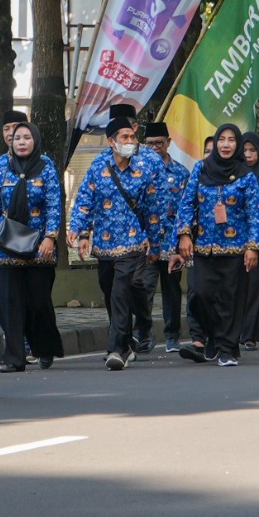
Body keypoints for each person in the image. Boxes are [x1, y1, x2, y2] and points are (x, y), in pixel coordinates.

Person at [70, 115, 166, 371]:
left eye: (132, 136)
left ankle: (116, 349)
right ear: (112, 141)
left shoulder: (144, 168)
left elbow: (153, 210)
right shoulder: (98, 166)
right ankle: (129, 335)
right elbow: (85, 200)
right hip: (104, 243)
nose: (130, 141)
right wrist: (79, 231)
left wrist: (155, 244)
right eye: (125, 137)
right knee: (109, 289)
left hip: (133, 242)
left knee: (120, 291)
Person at [174, 123, 259, 365]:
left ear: (238, 144)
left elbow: (255, 213)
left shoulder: (246, 175)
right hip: (205, 247)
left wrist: (253, 247)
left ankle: (227, 349)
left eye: (231, 140)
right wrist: (184, 235)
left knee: (231, 300)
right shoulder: (201, 168)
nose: (225, 144)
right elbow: (187, 203)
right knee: (200, 295)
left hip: (236, 249)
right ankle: (214, 336)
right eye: (221, 139)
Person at [0, 117, 65, 373]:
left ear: (35, 140)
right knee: (8, 304)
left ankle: (44, 347)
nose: (21, 142)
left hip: (38, 246)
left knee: (38, 303)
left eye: (27, 137)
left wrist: (50, 237)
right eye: (17, 138)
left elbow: (54, 204)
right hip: (6, 245)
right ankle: (15, 358)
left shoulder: (46, 166)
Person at [140, 119, 190, 350]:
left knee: (172, 292)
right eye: (150, 143)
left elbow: (187, 210)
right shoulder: (138, 172)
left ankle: (172, 336)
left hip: (172, 246)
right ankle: (143, 335)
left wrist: (183, 239)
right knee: (144, 290)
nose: (154, 147)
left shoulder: (181, 173)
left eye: (159, 143)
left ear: (168, 142)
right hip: (147, 244)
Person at [234, 131, 259, 348]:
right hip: (236, 242)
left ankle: (249, 334)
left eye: (253, 150)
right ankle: (233, 331)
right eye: (244, 150)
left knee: (256, 290)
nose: (248, 155)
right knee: (236, 288)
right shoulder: (233, 175)